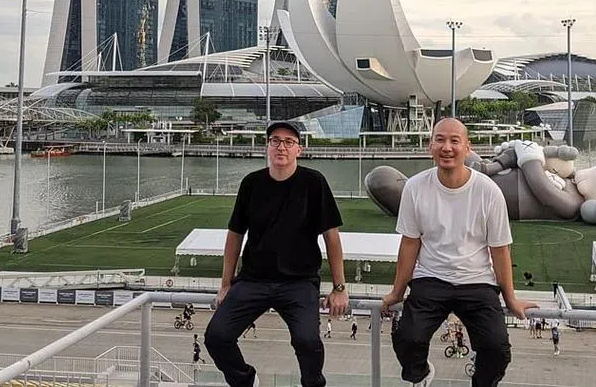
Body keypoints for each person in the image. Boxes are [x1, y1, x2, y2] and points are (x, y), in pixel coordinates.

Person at [382, 118, 535, 387]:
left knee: (496, 348)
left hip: (477, 281)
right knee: (408, 339)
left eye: (455, 141)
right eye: (440, 140)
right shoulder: (415, 187)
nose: (447, 147)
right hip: (431, 278)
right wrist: (397, 291)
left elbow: (499, 250)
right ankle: (420, 374)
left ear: (467, 148)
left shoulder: (488, 191)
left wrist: (510, 298)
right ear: (430, 146)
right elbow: (409, 244)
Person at [204, 121, 349, 387]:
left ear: (299, 150)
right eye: (275, 141)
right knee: (216, 336)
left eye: (289, 142)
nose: (281, 147)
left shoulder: (313, 182)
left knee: (307, 341)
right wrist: (225, 284)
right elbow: (235, 235)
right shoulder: (252, 183)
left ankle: (313, 384)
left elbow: (332, 238)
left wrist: (339, 287)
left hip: (299, 282)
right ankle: (246, 380)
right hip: (253, 280)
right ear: (267, 147)